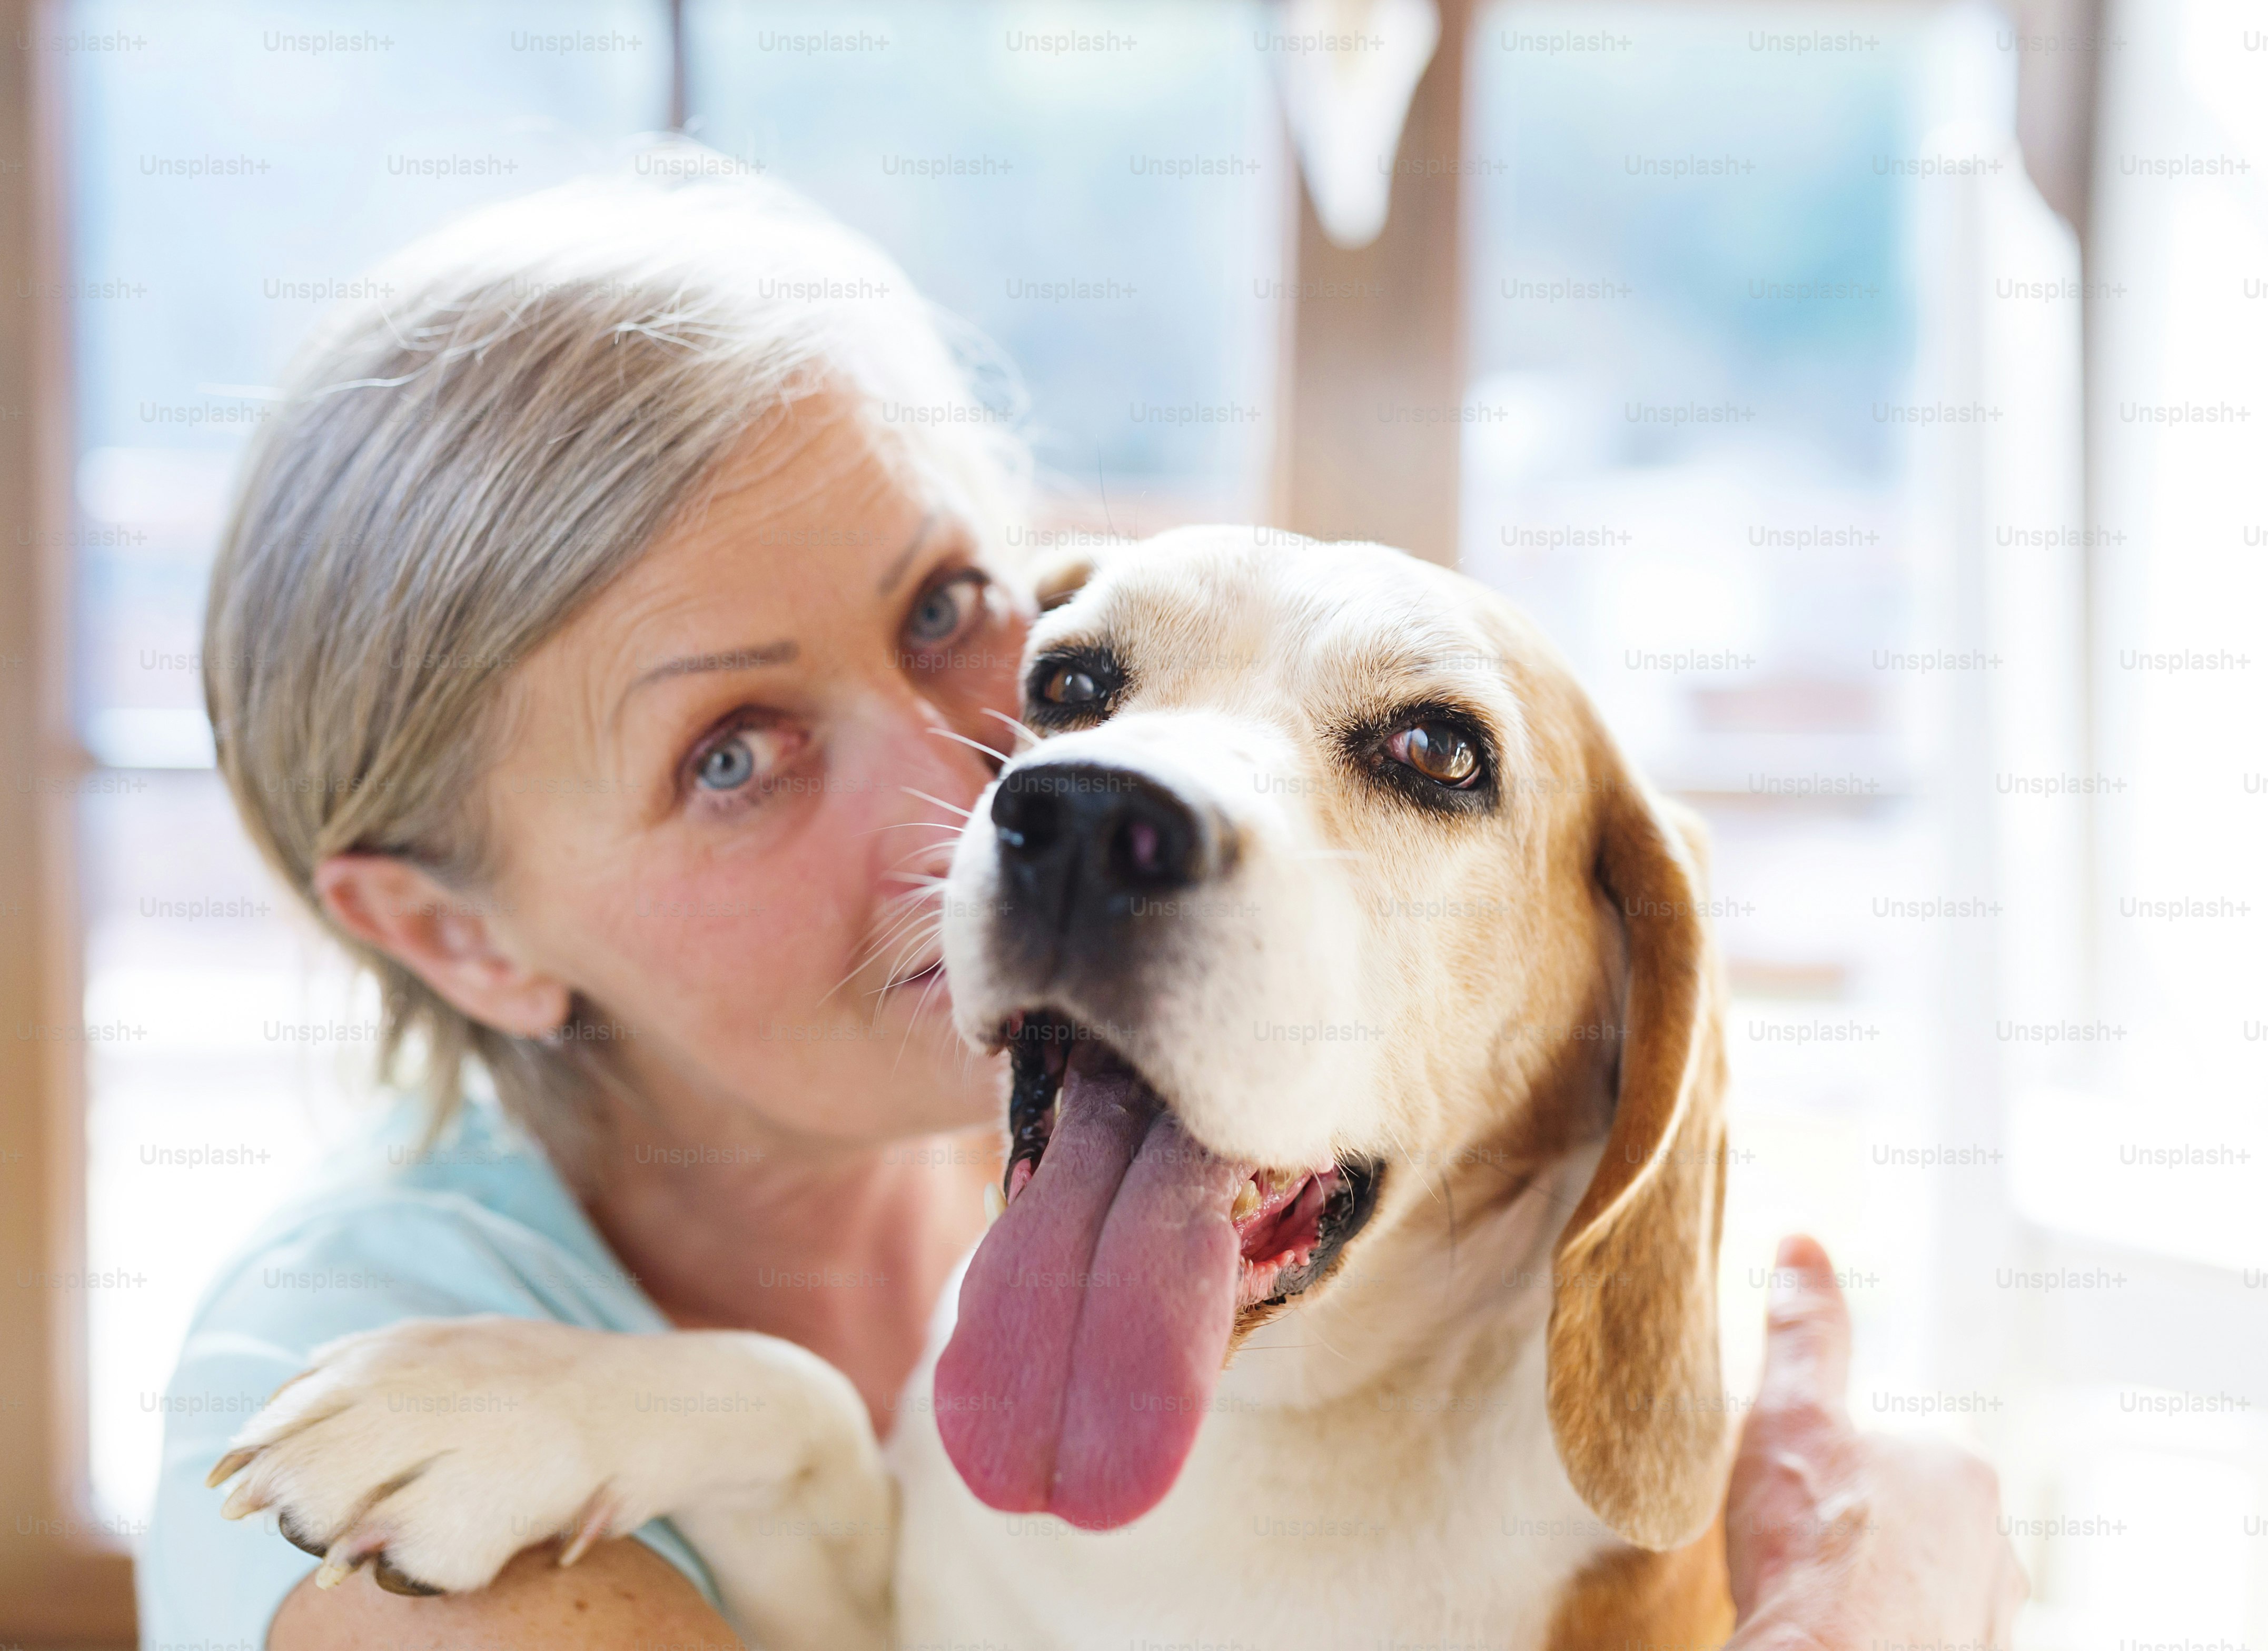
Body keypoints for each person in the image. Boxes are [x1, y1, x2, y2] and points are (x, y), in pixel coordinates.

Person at [141, 153, 2024, 1649]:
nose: (1008, 795)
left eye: (959, 617)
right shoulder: (339, 1369)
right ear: (460, 936)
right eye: (729, 749)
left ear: (1618, 997)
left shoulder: (1045, 1160)